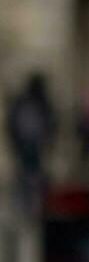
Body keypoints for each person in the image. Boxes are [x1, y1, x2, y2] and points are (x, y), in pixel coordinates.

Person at [7, 72, 57, 221]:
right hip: (28, 143)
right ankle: (26, 206)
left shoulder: (37, 103)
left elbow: (50, 123)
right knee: (28, 173)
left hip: (32, 143)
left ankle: (31, 207)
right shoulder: (28, 103)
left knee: (32, 174)